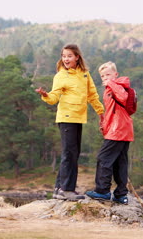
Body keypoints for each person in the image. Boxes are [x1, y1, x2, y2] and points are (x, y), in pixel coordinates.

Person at [36, 44, 104, 201]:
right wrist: (45, 95)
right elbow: (53, 98)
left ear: (77, 57)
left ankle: (58, 189)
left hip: (78, 118)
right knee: (69, 154)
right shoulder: (60, 76)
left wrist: (101, 113)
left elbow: (92, 95)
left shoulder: (85, 74)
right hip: (66, 118)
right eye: (64, 56)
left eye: (69, 56)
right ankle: (67, 190)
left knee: (72, 154)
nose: (66, 59)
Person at [86, 61, 134, 205]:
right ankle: (120, 194)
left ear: (115, 74)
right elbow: (112, 113)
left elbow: (123, 97)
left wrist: (110, 83)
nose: (105, 78)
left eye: (108, 74)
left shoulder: (118, 86)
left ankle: (103, 191)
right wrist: (105, 127)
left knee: (103, 158)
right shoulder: (110, 88)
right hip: (121, 129)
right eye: (103, 76)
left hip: (119, 130)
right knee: (120, 162)